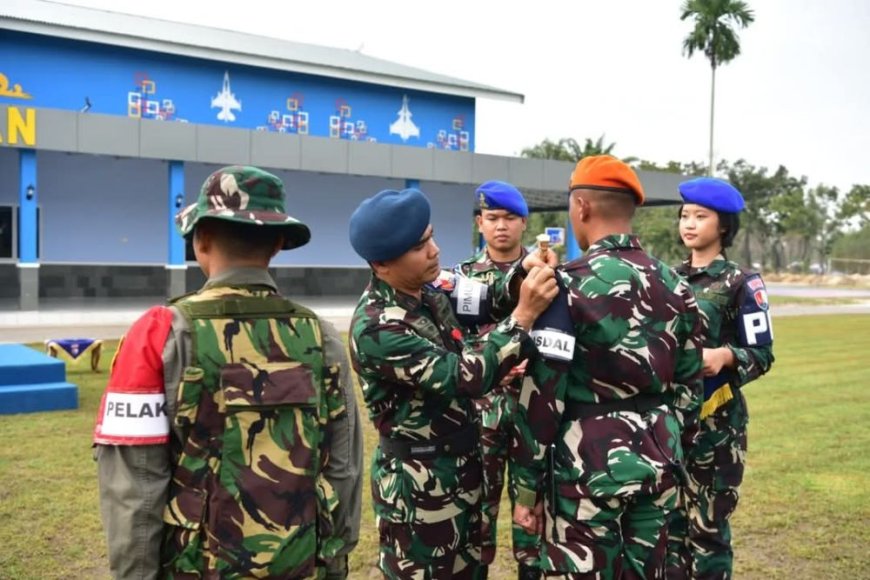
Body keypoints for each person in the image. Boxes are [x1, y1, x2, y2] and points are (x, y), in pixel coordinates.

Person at [93, 166, 363, 579]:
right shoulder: (321, 335)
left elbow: (135, 484)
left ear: (200, 240)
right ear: (277, 245)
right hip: (305, 564)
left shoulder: (159, 335)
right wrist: (335, 557)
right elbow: (343, 465)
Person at [347, 187, 558, 579]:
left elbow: (487, 298)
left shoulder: (429, 288)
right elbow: (463, 376)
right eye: (419, 247)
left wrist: (522, 274)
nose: (435, 251)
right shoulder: (378, 326)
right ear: (381, 263)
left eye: (431, 237)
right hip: (420, 490)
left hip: (461, 473)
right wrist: (525, 315)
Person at [511, 155, 705, 579]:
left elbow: (543, 395)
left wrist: (526, 487)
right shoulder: (676, 284)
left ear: (581, 208)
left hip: (587, 465)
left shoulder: (564, 284)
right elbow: (691, 384)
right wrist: (672, 444)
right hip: (660, 456)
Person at [666, 177, 775, 580]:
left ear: (723, 225)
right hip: (670, 424)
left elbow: (763, 352)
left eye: (700, 216)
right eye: (684, 215)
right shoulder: (666, 278)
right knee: (669, 531)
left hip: (717, 429)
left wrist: (727, 355)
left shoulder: (742, 282)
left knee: (708, 532)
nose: (689, 223)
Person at [454, 180, 541, 580]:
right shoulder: (462, 279)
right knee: (477, 521)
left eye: (509, 218)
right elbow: (452, 343)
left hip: (533, 410)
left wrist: (531, 361)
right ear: (479, 223)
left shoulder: (544, 275)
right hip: (482, 412)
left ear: (524, 223)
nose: (500, 226)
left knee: (534, 525)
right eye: (492, 218)